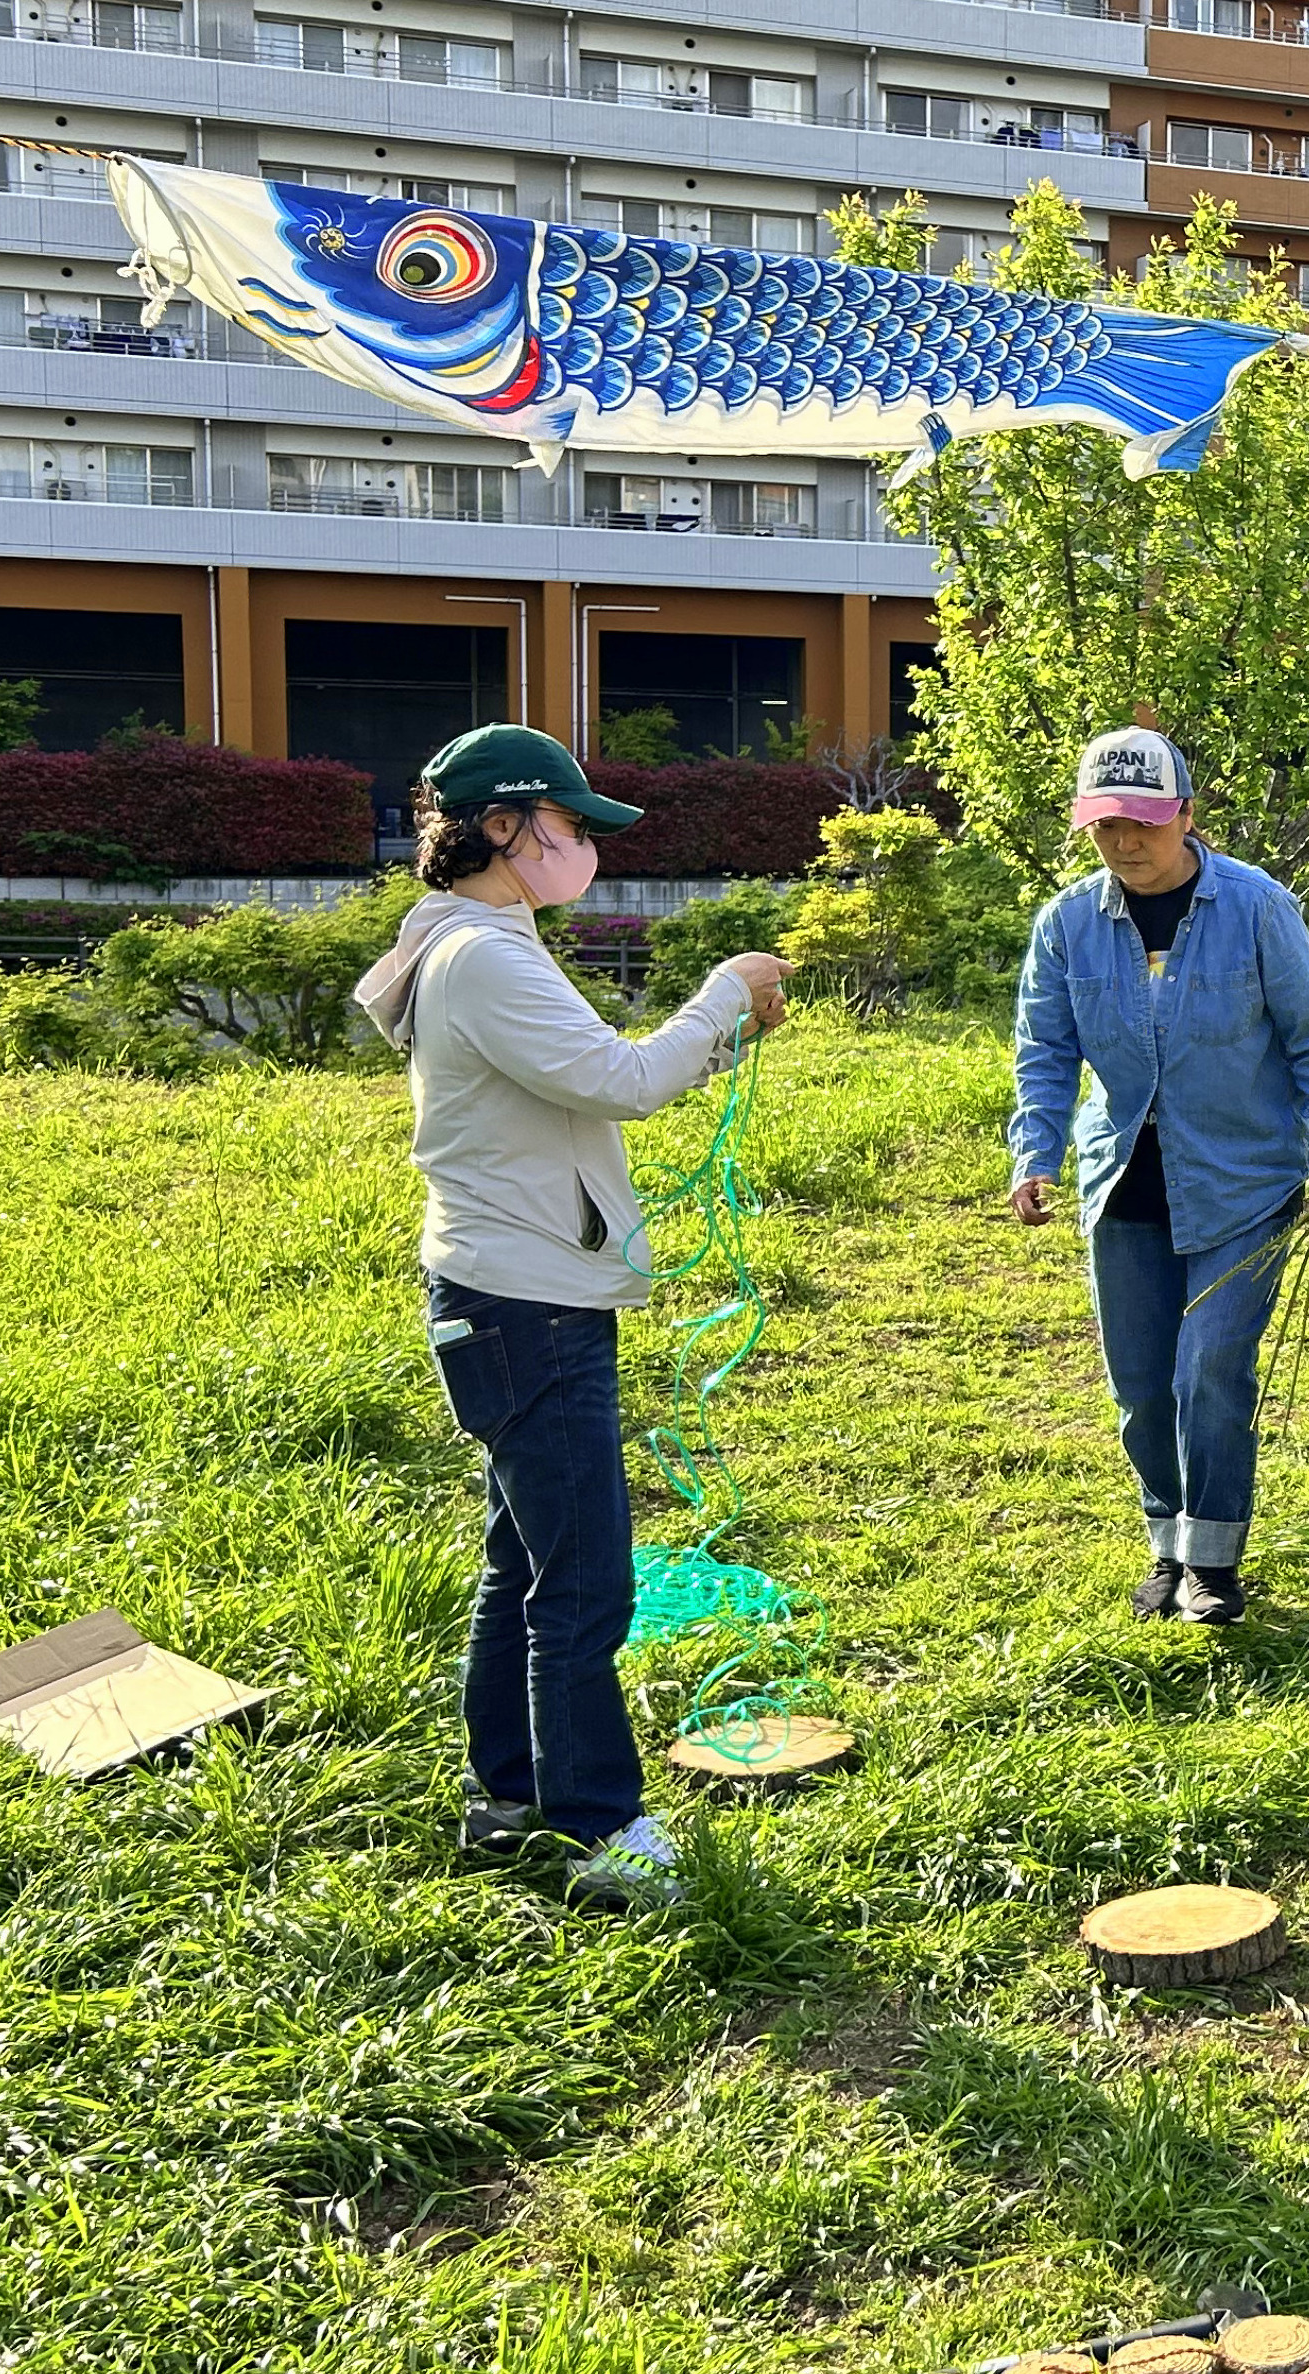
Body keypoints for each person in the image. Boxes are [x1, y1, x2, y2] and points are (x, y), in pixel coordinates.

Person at [354, 724, 793, 1914]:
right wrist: (722, 994)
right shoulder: (483, 957)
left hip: (508, 1296)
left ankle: (505, 1796)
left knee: (525, 1563)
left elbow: (585, 1077)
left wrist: (717, 1035)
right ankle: (602, 1831)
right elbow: (620, 1081)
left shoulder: (477, 941)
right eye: (569, 823)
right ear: (501, 826)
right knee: (585, 1580)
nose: (586, 844)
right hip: (528, 1306)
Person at [1009, 727, 1309, 1627]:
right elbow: (1044, 1051)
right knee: (1139, 1384)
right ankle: (1167, 1548)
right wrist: (1035, 1153)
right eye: (1106, 826)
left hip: (1243, 1180)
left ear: (1187, 816)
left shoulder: (1258, 908)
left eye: (1145, 822)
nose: (1126, 842)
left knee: (1209, 1369)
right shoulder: (1067, 924)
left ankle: (1214, 1563)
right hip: (1123, 1180)